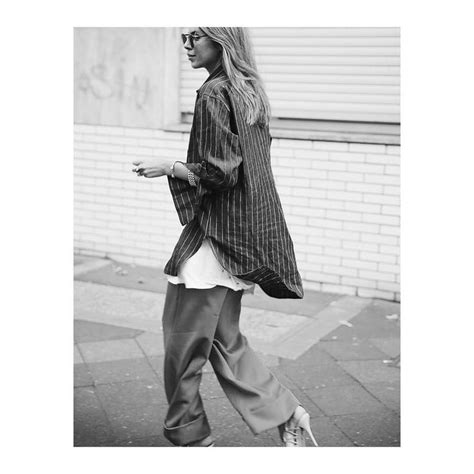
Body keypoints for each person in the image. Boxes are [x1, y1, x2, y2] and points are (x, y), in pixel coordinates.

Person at [132, 27, 318, 448]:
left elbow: (220, 172)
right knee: (224, 340)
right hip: (237, 233)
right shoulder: (249, 89)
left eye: (195, 36)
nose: (186, 45)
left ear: (221, 39)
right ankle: (287, 414)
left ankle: (191, 438)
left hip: (216, 237)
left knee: (183, 346)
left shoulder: (214, 93)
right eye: (183, 36)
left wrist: (170, 165)